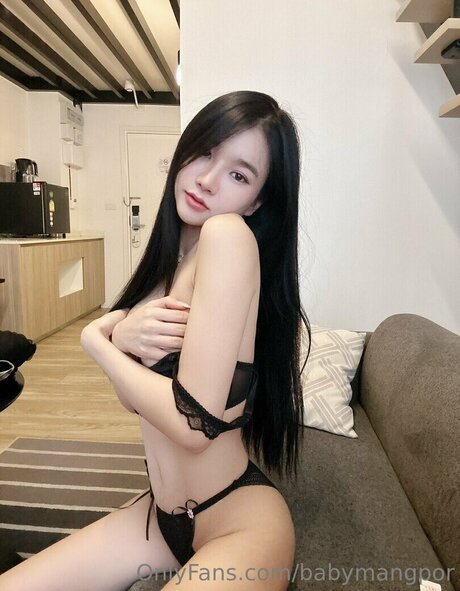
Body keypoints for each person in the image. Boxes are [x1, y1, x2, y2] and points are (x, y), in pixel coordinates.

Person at [0, 90, 311, 590]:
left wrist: (98, 342)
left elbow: (194, 424)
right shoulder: (168, 264)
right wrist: (122, 335)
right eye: (206, 152)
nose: (207, 180)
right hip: (159, 516)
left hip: (237, 521)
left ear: (256, 200)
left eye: (238, 175)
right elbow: (138, 402)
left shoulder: (227, 237)